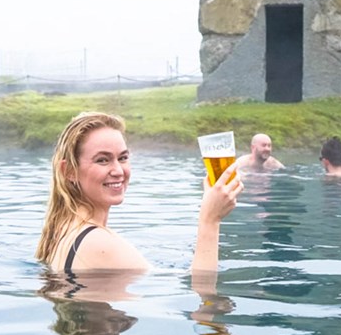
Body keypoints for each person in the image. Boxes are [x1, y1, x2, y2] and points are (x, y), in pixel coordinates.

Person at [36, 111, 242, 272]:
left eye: (123, 158)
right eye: (102, 160)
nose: (118, 171)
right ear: (69, 171)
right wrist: (210, 220)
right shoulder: (99, 243)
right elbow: (202, 293)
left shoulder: (61, 230)